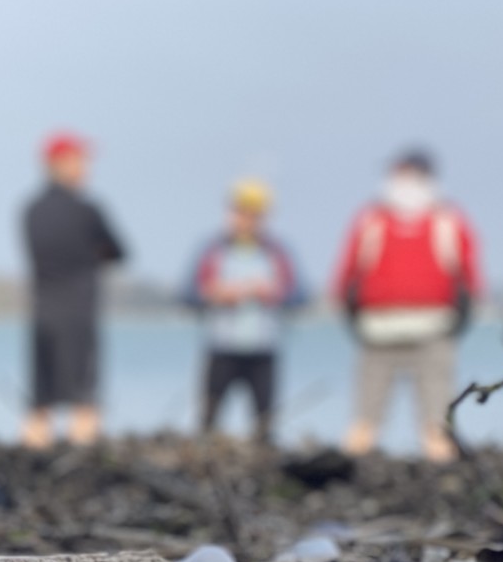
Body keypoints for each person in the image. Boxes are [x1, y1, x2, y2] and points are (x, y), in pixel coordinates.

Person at [332, 149, 482, 462]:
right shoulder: (372, 220)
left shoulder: (447, 220)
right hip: (376, 332)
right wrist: (353, 319)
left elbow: (469, 278)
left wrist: (458, 322)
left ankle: (443, 481)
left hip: (434, 330)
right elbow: (346, 276)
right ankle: (348, 473)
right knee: (365, 420)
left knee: (436, 423)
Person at [21, 132, 125, 448]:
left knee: (41, 396)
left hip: (42, 312)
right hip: (79, 311)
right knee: (84, 397)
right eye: (80, 161)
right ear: (60, 164)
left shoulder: (30, 211)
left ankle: (34, 454)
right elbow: (117, 252)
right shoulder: (86, 210)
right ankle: (83, 457)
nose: (86, 168)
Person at [181, 179, 303, 444]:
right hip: (221, 348)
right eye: (241, 212)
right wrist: (215, 294)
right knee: (207, 420)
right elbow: (188, 294)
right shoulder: (212, 250)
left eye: (254, 214)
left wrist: (274, 293)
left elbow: (299, 295)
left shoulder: (277, 253)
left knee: (264, 425)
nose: (247, 220)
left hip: (264, 350)